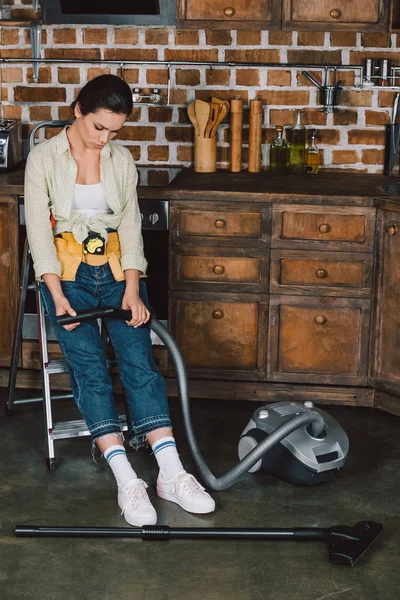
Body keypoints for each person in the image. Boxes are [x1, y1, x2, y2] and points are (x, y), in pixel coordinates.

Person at [24, 74, 215, 527]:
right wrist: (55, 298)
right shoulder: (43, 159)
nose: (104, 139)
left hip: (116, 274)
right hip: (67, 277)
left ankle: (171, 473)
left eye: (114, 131)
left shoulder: (121, 160)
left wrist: (133, 287)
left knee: (139, 363)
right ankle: (127, 478)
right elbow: (38, 233)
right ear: (78, 111)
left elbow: (130, 227)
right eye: (98, 128)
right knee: (89, 369)